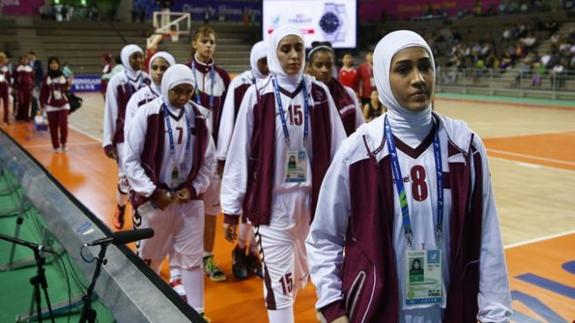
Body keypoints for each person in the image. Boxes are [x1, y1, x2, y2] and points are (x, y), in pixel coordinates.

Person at [306, 30, 512, 323]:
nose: (419, 78)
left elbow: (487, 239)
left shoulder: (465, 147)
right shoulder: (358, 151)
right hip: (377, 312)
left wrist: (496, 315)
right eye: (403, 69)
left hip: (451, 312)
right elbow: (324, 236)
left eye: (425, 66)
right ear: (382, 77)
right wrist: (332, 306)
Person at [221, 25, 346, 323]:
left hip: (314, 206)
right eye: (285, 49)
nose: (293, 56)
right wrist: (230, 208)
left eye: (298, 49)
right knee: (280, 286)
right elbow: (239, 154)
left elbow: (341, 151)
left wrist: (346, 198)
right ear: (274, 53)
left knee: (308, 278)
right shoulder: (257, 94)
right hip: (273, 205)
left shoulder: (319, 93)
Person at [124, 64, 215, 319]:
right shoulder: (146, 114)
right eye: (178, 91)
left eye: (188, 91)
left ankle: (197, 313)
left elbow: (209, 160)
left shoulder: (198, 116)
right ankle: (144, 309)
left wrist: (195, 187)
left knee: (192, 260)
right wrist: (152, 192)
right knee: (150, 259)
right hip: (155, 201)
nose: (183, 97)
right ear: (166, 88)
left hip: (188, 200)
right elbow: (130, 161)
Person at [217, 40, 268, 280]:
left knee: (263, 210)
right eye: (263, 61)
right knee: (246, 208)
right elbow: (228, 119)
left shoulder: (277, 83)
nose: (267, 66)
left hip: (269, 158)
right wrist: (224, 154)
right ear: (254, 60)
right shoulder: (240, 84)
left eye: (270, 61)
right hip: (245, 155)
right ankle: (239, 249)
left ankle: (255, 253)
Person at [187, 26, 231, 282]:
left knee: (211, 210)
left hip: (212, 156)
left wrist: (223, 156)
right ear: (194, 43)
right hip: (185, 156)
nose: (208, 46)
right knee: (185, 209)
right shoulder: (183, 72)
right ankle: (185, 260)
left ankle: (207, 256)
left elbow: (227, 118)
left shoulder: (223, 77)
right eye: (204, 41)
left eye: (212, 42)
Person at [102, 44, 150, 230]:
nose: (138, 61)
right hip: (124, 138)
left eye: (140, 57)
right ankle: (121, 207)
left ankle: (140, 213)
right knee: (125, 178)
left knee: (143, 176)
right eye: (134, 57)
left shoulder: (147, 80)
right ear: (125, 58)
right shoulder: (117, 81)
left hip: (146, 137)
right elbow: (110, 111)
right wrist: (108, 141)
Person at [306, 43, 364, 136]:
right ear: (309, 67)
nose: (324, 70)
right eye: (319, 65)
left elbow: (360, 129)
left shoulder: (348, 93)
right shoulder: (303, 95)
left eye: (329, 65)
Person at [40, 57, 71, 152]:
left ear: (58, 64)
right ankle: (55, 146)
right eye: (52, 63)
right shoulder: (46, 77)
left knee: (63, 124)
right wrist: (42, 105)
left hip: (63, 104)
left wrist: (68, 84)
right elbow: (43, 92)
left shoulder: (63, 75)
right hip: (51, 106)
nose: (54, 64)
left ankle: (64, 143)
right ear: (49, 65)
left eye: (56, 62)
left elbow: (66, 88)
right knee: (53, 127)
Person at [14, 55, 34, 121]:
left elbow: (32, 78)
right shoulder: (17, 68)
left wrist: (32, 86)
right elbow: (14, 78)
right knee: (21, 102)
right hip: (20, 88)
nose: (24, 61)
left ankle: (26, 116)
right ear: (20, 60)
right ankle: (18, 116)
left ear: (28, 61)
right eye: (23, 59)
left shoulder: (30, 69)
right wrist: (14, 87)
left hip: (28, 88)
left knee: (27, 102)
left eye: (26, 59)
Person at [0, 52, 11, 125]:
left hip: (5, 87)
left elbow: (9, 77)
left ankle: (6, 119)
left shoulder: (6, 67)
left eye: (4, 58)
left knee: (6, 104)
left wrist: (9, 85)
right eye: (2, 58)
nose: (3, 60)